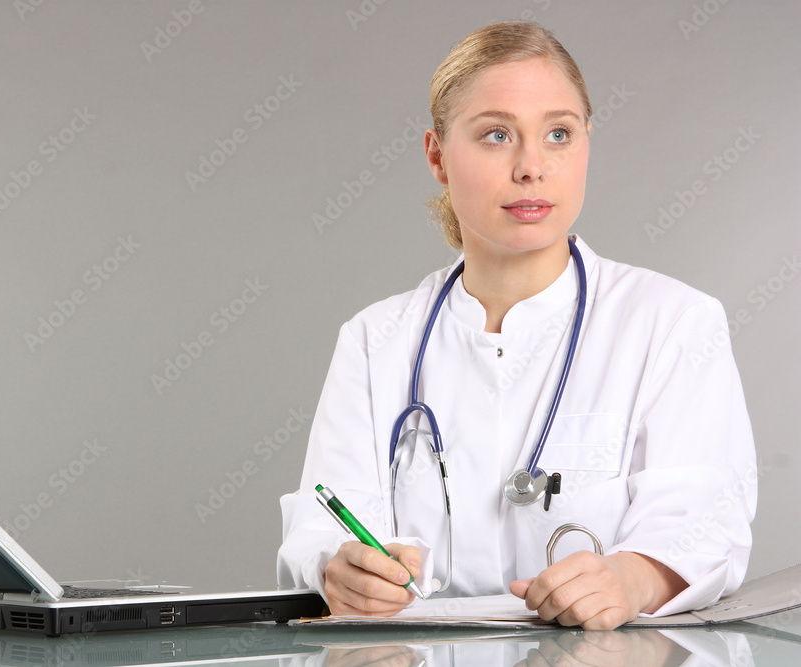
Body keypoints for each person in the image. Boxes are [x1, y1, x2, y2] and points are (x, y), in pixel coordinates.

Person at [277, 21, 756, 631]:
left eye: (559, 134)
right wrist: (338, 567)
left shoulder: (672, 322)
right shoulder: (375, 340)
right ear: (437, 156)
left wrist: (632, 578)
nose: (532, 167)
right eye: (497, 135)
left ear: (586, 144)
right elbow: (321, 526)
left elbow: (706, 523)